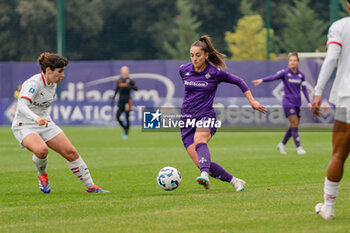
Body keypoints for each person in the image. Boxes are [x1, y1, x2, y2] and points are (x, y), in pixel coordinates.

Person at [11, 52, 109, 193]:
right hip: (24, 125)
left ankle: (91, 187)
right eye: (60, 71)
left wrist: (42, 119)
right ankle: (42, 174)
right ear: (49, 70)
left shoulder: (52, 84)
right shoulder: (34, 83)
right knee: (42, 150)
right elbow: (21, 105)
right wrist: (36, 118)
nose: (63, 75)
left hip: (45, 122)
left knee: (71, 152)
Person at [179, 35, 266, 191]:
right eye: (192, 55)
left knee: (200, 140)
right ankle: (235, 181)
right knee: (201, 163)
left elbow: (239, 81)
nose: (194, 58)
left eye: (198, 55)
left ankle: (204, 176)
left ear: (206, 55)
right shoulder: (184, 70)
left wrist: (252, 101)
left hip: (206, 116)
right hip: (186, 120)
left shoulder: (214, 73)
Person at [313, 0, 350, 220]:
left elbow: (331, 59)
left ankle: (328, 208)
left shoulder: (340, 26)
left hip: (348, 98)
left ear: (347, 5)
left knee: (339, 153)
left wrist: (318, 92)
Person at [252, 52, 312, 155]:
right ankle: (299, 148)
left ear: (298, 62)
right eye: (290, 60)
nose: (292, 62)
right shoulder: (285, 73)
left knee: (294, 124)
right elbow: (273, 77)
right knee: (294, 123)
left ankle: (282, 144)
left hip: (298, 103)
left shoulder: (301, 75)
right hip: (288, 102)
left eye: (294, 60)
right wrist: (262, 80)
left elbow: (305, 89)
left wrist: (309, 102)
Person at [111, 66, 138, 139]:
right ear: (121, 72)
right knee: (117, 116)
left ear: (128, 71)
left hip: (127, 101)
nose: (124, 72)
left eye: (125, 71)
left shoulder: (130, 80)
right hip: (120, 101)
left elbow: (136, 89)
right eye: (123, 71)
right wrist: (113, 98)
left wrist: (130, 87)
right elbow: (116, 90)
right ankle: (125, 128)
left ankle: (126, 133)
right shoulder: (119, 80)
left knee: (127, 117)